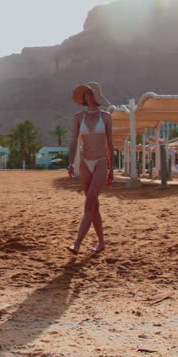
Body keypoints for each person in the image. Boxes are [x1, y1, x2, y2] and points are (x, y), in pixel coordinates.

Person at [67, 82, 114, 255]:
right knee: (94, 205)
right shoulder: (78, 117)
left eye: (91, 93)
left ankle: (77, 244)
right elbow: (73, 141)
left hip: (101, 162)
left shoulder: (106, 117)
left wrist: (112, 169)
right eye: (86, 94)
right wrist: (71, 162)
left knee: (90, 202)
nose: (88, 96)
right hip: (84, 162)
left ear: (96, 96)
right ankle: (101, 242)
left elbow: (110, 144)